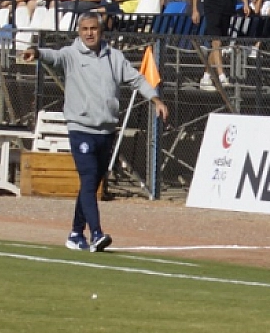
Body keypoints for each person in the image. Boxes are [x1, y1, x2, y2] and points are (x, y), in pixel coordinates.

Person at [23, 13, 168, 252]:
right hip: (81, 129)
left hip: (106, 130)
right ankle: (97, 233)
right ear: (79, 31)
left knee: (91, 183)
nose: (89, 33)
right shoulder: (71, 55)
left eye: (93, 28)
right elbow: (53, 56)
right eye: (84, 29)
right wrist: (36, 52)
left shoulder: (115, 57)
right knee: (89, 179)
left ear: (101, 31)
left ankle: (75, 234)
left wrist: (155, 100)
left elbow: (137, 79)